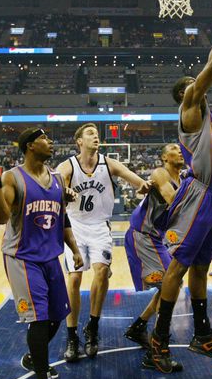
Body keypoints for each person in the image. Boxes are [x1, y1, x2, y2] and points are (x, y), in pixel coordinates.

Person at [149, 0, 212, 374]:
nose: (199, 83)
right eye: (194, 82)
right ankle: (158, 342)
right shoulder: (190, 108)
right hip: (198, 194)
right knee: (179, 267)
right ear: (185, 94)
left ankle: (202, 333)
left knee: (203, 267)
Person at [0, 127, 83, 379]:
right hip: (23, 258)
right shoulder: (12, 177)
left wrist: (75, 249)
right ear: (30, 146)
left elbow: (62, 218)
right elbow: (0, 217)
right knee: (39, 319)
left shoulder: (56, 179)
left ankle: (33, 357)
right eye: (44, 138)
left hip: (51, 256)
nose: (50, 142)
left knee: (57, 314)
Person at [56, 123, 151, 362]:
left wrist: (145, 186)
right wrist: (63, 191)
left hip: (100, 227)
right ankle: (71, 334)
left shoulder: (108, 164)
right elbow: (55, 183)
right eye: (89, 133)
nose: (95, 136)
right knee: (75, 277)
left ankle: (93, 327)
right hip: (75, 227)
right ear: (79, 141)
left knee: (101, 272)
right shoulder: (68, 165)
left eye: (97, 134)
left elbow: (136, 180)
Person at [123, 143, 184, 372]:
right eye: (173, 149)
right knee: (171, 287)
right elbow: (174, 200)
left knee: (173, 285)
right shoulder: (160, 173)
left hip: (156, 239)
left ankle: (139, 327)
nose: (179, 151)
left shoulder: (184, 178)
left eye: (181, 149)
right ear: (164, 157)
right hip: (144, 236)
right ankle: (156, 352)